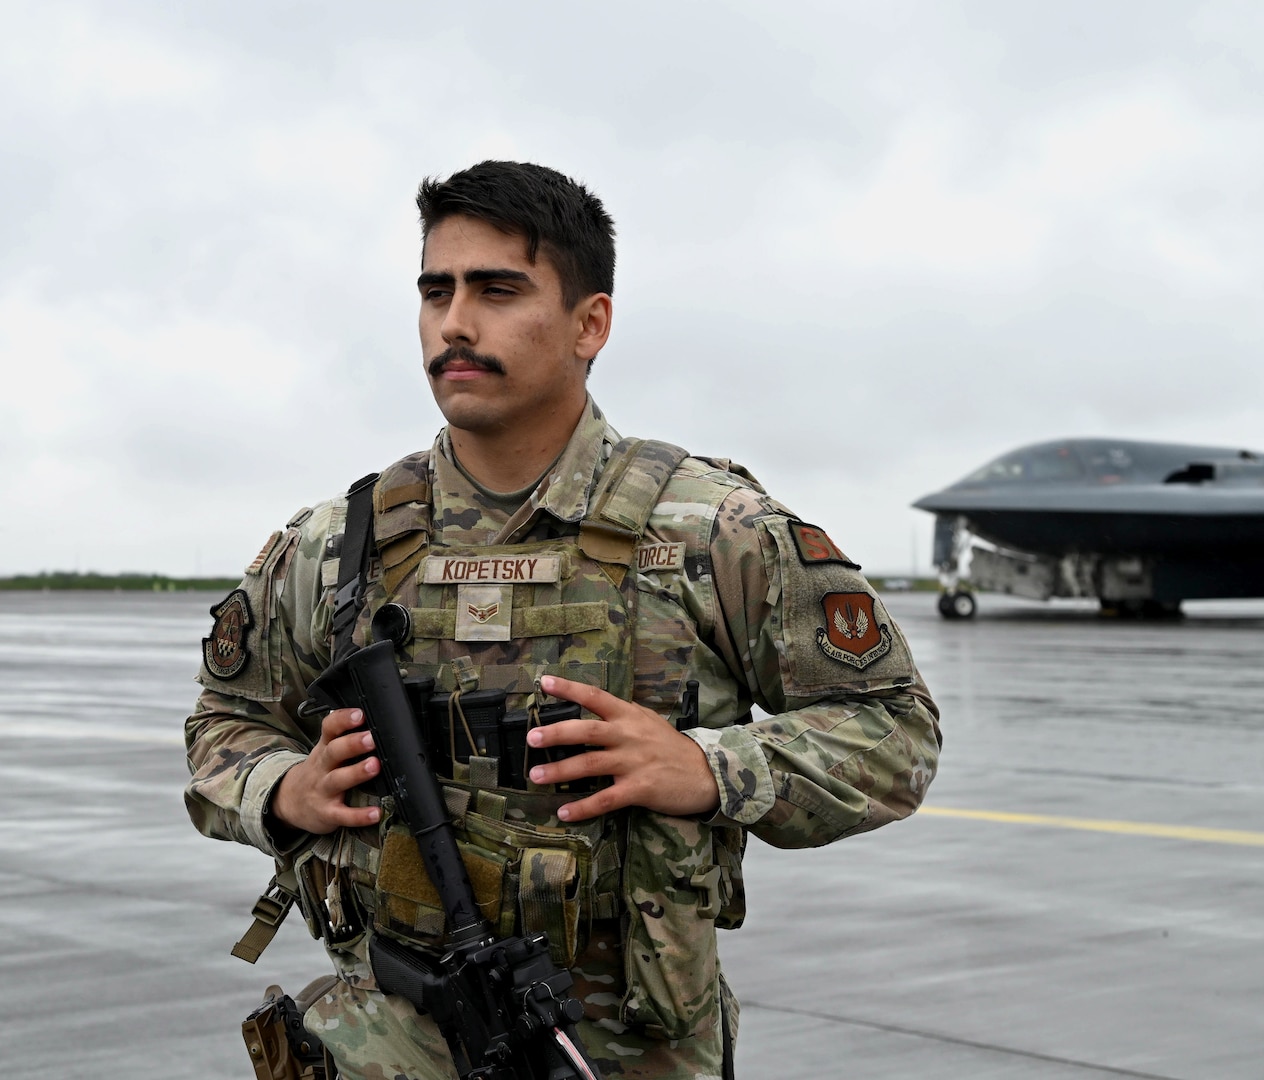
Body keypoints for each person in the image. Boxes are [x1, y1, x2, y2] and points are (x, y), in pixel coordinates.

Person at [183, 160, 941, 1080]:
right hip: (381, 1039)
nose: (456, 322)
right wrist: (279, 790)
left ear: (592, 323)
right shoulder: (335, 546)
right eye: (437, 291)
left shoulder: (712, 530)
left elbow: (895, 731)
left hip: (619, 1053)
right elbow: (222, 725)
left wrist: (709, 768)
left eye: (499, 290)